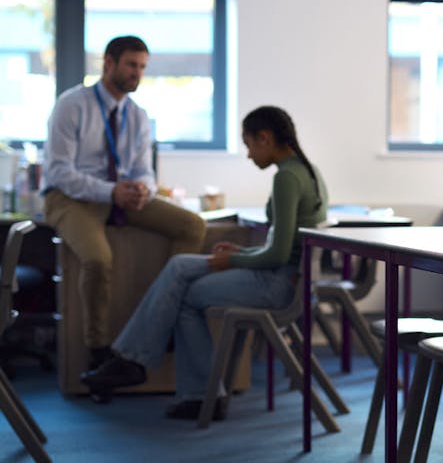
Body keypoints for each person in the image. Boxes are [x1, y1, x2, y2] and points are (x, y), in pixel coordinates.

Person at [81, 105, 329, 419]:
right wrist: (240, 253)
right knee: (180, 266)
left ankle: (166, 378)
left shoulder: (286, 179)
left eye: (248, 144)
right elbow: (284, 247)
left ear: (265, 138)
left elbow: (279, 255)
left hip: (278, 286)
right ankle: (137, 362)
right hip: (287, 279)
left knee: (182, 291)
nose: (249, 154)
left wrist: (234, 260)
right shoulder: (308, 171)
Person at [42, 36, 207, 378]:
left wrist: (143, 188)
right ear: (108, 64)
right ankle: (97, 351)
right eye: (131, 65)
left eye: (143, 67)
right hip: (71, 198)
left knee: (192, 226)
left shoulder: (138, 115)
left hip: (121, 195)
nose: (137, 74)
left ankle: (164, 320)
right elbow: (60, 172)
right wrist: (111, 191)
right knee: (98, 259)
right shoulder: (73, 104)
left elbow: (143, 168)